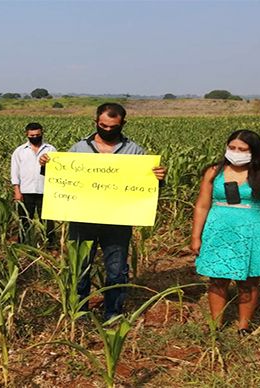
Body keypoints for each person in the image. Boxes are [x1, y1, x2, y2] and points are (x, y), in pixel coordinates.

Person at [39, 102, 166, 320]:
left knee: (116, 270)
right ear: (96, 122)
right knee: (80, 267)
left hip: (117, 221)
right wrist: (46, 166)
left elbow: (147, 186)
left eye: (113, 127)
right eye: (103, 125)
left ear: (123, 124)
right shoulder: (78, 149)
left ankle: (112, 314)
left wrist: (158, 178)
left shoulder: (135, 151)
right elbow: (60, 178)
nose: (107, 130)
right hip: (81, 219)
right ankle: (78, 312)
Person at [191, 129, 260, 335]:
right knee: (217, 280)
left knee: (248, 282)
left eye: (242, 149)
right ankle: (215, 325)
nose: (236, 152)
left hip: (252, 233)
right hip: (218, 232)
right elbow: (202, 205)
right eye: (232, 147)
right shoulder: (214, 171)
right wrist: (196, 236)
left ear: (254, 152)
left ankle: (244, 326)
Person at [10, 122, 56, 245]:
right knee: (24, 219)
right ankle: (24, 244)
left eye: (37, 134)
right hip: (26, 191)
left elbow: (56, 170)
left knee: (47, 220)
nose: (35, 137)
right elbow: (15, 172)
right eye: (32, 135)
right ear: (27, 135)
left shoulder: (50, 149)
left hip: (45, 190)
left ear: (42, 133)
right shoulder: (19, 151)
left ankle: (50, 245)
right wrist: (17, 191)